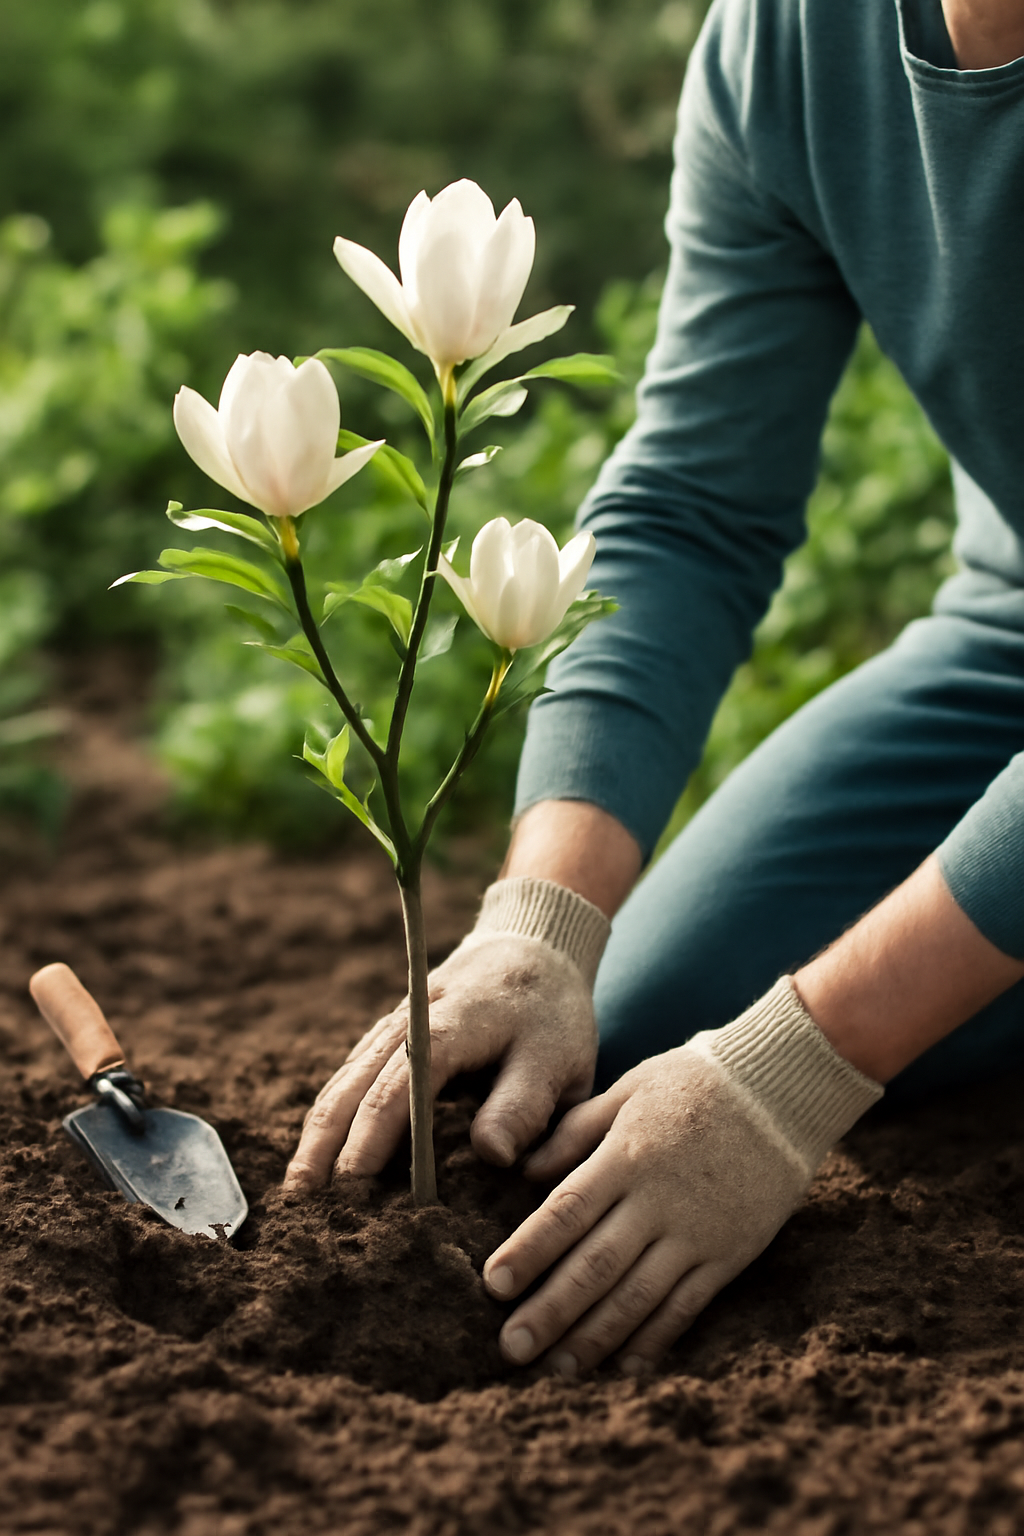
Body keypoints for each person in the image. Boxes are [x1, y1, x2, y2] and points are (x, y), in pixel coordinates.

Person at [285, 0, 1024, 1378]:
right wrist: (542, 923)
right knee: (657, 1026)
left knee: (775, 1060)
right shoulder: (794, 39)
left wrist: (802, 1069)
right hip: (1011, 639)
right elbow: (694, 504)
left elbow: (795, 1071)